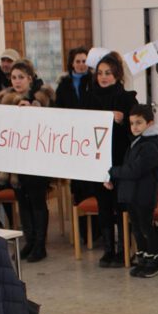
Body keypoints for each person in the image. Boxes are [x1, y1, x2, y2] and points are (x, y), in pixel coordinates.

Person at [83, 52, 138, 267]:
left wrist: (124, 120)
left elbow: (137, 130)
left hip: (121, 159)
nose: (104, 77)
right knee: (104, 205)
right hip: (98, 160)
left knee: (121, 204)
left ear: (117, 75)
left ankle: (125, 250)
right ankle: (108, 249)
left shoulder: (127, 98)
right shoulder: (89, 98)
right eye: (100, 73)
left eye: (108, 73)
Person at [0, 61, 55, 262]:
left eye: (21, 77)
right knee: (22, 201)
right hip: (16, 160)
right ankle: (29, 241)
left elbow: (53, 124)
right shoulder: (5, 100)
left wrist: (33, 110)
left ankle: (40, 244)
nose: (17, 81)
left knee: (38, 201)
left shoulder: (42, 98)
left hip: (37, 160)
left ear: (30, 78)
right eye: (14, 77)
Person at [106, 104, 158, 278]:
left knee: (146, 228)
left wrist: (112, 172)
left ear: (150, 123)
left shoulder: (152, 144)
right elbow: (128, 167)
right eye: (132, 123)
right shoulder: (137, 141)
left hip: (144, 195)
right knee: (137, 229)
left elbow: (134, 170)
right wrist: (113, 180)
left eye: (139, 123)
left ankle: (154, 262)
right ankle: (143, 260)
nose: (134, 127)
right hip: (133, 194)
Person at [55, 47, 95, 244]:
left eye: (84, 61)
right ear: (71, 63)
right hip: (73, 140)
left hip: (91, 139)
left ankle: (95, 231)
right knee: (78, 188)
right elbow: (58, 110)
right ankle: (81, 232)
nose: (81, 64)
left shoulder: (94, 82)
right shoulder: (63, 85)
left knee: (93, 185)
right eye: (78, 61)